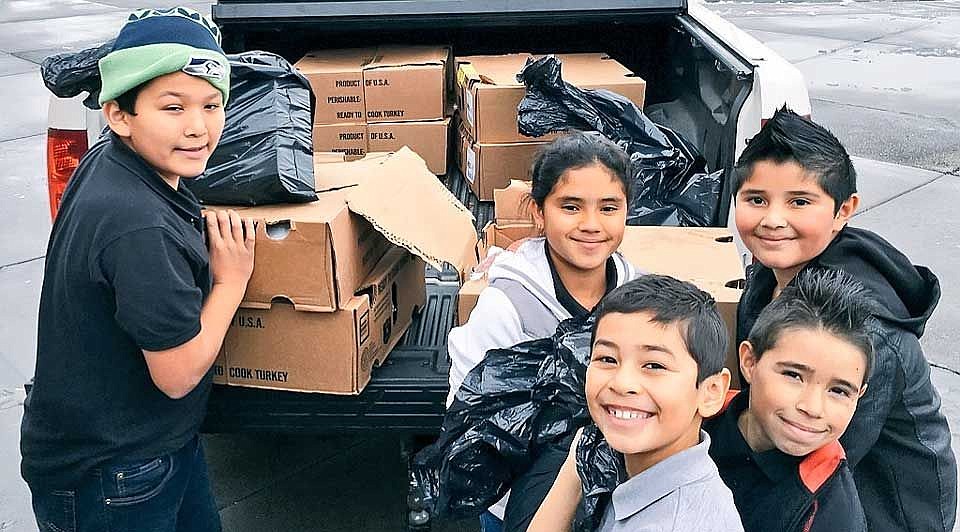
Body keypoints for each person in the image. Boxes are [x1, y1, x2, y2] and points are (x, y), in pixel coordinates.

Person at [20, 7, 253, 532]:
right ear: (119, 114)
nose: (198, 127)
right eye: (173, 107)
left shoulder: (116, 165)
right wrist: (231, 281)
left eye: (212, 105)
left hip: (150, 446)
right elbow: (175, 376)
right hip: (113, 474)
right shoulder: (139, 226)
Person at [733, 106, 956, 531]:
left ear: (843, 211)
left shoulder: (862, 331)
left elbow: (814, 446)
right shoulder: (769, 276)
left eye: (799, 202)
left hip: (886, 509)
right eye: (756, 199)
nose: (772, 220)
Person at [447, 131, 640, 531]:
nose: (591, 225)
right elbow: (471, 417)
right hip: (518, 505)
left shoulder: (636, 294)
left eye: (609, 208)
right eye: (570, 207)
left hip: (614, 497)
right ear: (539, 212)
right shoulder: (508, 306)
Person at [528, 275, 743, 532]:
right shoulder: (632, 465)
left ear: (710, 392)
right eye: (607, 359)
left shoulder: (675, 523)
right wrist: (576, 463)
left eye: (654, 365)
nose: (622, 383)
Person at [706, 268, 873, 532]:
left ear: (859, 395)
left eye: (839, 391)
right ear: (749, 362)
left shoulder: (831, 515)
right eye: (794, 375)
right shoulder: (695, 421)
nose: (812, 408)